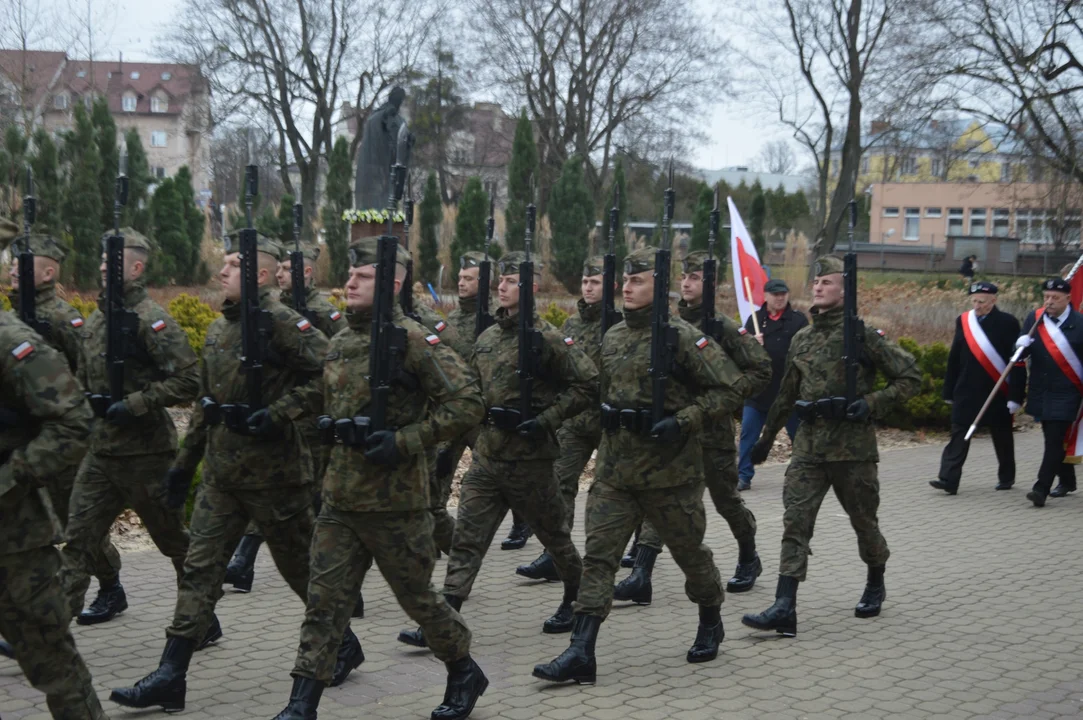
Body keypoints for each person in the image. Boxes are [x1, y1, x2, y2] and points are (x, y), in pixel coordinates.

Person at [108, 232, 364, 712]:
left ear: (260, 275)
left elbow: (329, 378)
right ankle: (171, 672)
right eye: (222, 264)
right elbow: (207, 405)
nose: (221, 272)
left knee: (302, 574)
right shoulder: (217, 329)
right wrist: (184, 468)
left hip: (277, 477)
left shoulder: (284, 323)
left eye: (231, 265)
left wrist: (281, 410)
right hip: (222, 478)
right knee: (200, 571)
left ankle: (342, 643)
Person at [272, 236, 488, 720]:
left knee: (418, 601)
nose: (348, 283)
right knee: (324, 604)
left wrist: (406, 439)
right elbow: (328, 399)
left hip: (397, 502)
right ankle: (300, 705)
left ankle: (463, 670)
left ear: (391, 283)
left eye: (362, 277)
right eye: (349, 275)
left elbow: (467, 403)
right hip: (341, 499)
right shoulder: (343, 340)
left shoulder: (411, 340)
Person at [533, 247, 744, 686]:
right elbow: (598, 393)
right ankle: (580, 650)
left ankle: (710, 616)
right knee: (599, 557)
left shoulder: (683, 338)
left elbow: (730, 390)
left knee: (690, 556)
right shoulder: (613, 337)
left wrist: (684, 420)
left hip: (670, 474)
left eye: (638, 281)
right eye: (625, 282)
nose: (627, 288)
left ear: (659, 287)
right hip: (616, 470)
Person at [398, 251, 595, 650]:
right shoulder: (487, 339)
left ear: (531, 288)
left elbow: (588, 384)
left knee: (555, 538)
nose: (501, 287)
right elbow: (469, 390)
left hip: (531, 461)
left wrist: (547, 418)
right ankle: (443, 620)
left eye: (511, 282)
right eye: (500, 281)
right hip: (488, 456)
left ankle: (576, 596)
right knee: (468, 539)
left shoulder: (548, 340)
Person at [743, 255, 920, 637]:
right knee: (796, 522)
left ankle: (876, 579)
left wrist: (871, 404)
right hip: (809, 448)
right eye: (816, 282)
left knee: (864, 523)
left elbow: (910, 377)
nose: (818, 287)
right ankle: (784, 606)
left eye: (828, 282)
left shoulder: (862, 336)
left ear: (845, 289)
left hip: (852, 450)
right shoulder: (802, 337)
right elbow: (786, 394)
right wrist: (764, 441)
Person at [611, 250, 771, 604]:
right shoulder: (664, 324)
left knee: (727, 501)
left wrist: (721, 402)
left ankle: (749, 555)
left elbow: (760, 370)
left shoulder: (722, 326)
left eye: (695, 277)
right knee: (661, 501)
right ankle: (642, 573)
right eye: (684, 276)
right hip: (673, 433)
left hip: (710, 433)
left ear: (710, 283)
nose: (686, 283)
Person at [62, 229, 200, 626]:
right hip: (101, 453)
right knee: (78, 542)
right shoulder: (97, 317)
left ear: (136, 268)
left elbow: (189, 381)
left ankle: (199, 617)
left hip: (146, 456)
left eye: (113, 260)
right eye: (102, 260)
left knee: (174, 542)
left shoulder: (151, 319)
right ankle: (47, 632)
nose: (103, 266)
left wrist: (136, 403)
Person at [0, 234, 121, 661]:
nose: (14, 267)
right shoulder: (15, 314)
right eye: (13, 262)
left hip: (61, 434)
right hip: (29, 439)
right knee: (72, 525)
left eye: (25, 263)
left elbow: (87, 372)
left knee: (77, 524)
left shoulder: (65, 317)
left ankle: (105, 587)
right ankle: (111, 585)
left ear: (50, 272)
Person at [221, 243, 346, 594]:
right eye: (279, 270)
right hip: (280, 421)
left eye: (288, 270)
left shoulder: (323, 312)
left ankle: (339, 579)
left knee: (316, 499)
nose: (280, 275)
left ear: (307, 273)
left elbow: (341, 359)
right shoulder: (268, 311)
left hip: (312, 418)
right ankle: (244, 563)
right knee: (290, 499)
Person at [517, 256, 620, 582]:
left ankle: (624, 551)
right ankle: (555, 554)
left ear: (610, 288)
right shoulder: (572, 325)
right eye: (585, 283)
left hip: (609, 421)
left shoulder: (620, 325)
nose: (588, 288)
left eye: (595, 283)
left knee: (611, 490)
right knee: (559, 483)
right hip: (575, 419)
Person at [931, 281, 1024, 495]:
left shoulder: (1008, 322)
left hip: (996, 390)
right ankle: (948, 479)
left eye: (982, 301)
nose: (977, 305)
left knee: (1002, 437)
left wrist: (1016, 396)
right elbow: (955, 356)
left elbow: (1017, 360)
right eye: (974, 301)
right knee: (959, 435)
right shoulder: (964, 321)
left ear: (994, 300)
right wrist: (948, 390)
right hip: (966, 389)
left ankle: (1006, 477)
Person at [1013, 277, 1083, 507]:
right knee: (1053, 439)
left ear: (1067, 299)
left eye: (1055, 297)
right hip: (1041, 389)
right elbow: (1021, 357)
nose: (1049, 301)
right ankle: (1067, 480)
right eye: (1046, 297)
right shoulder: (1035, 319)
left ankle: (1040, 489)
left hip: (1068, 391)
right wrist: (1020, 347)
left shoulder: (1080, 323)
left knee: (1053, 441)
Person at [738, 277, 807, 491]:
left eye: (783, 294)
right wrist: (752, 344)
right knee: (748, 434)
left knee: (800, 436)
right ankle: (744, 475)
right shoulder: (754, 320)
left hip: (788, 391)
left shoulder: (798, 321)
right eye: (775, 294)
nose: (780, 298)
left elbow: (806, 350)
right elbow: (741, 355)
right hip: (759, 392)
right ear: (765, 296)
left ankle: (802, 473)